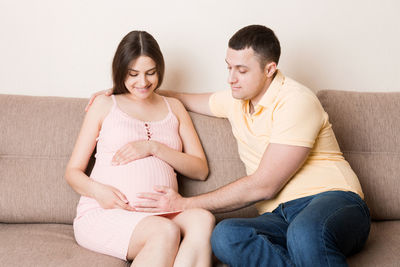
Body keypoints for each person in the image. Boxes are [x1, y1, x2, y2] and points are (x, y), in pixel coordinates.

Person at [88, 25, 371, 267]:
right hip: (279, 217)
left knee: (305, 232)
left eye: (242, 70)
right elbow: (179, 98)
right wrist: (129, 90)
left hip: (334, 202)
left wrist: (185, 203)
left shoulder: (296, 101)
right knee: (225, 235)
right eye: (229, 67)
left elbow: (264, 186)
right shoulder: (235, 100)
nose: (230, 78)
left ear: (269, 69)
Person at [65, 30, 215, 267]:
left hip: (160, 213)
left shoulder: (174, 107)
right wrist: (98, 191)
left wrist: (154, 148)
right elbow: (72, 172)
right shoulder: (104, 104)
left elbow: (200, 169)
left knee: (202, 219)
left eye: (150, 73)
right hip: (106, 213)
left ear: (160, 70)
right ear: (120, 71)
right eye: (133, 74)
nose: (143, 82)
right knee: (164, 231)